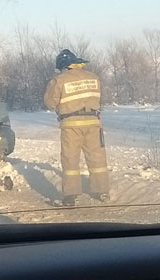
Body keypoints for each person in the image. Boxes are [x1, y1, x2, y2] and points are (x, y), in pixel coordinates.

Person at [44, 49, 109, 206]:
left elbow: (50, 103)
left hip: (71, 125)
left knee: (70, 159)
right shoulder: (94, 77)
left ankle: (71, 195)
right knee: (97, 158)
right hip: (93, 123)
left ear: (63, 66)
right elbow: (99, 99)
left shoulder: (60, 80)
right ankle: (102, 191)